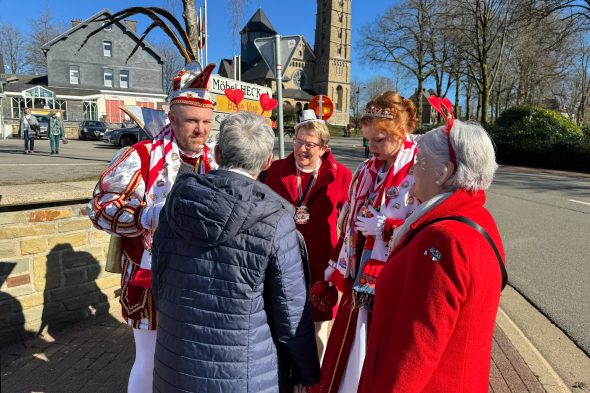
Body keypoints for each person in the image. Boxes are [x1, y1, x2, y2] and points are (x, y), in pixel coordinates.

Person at [151, 111, 321, 393]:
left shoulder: (176, 204)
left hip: (177, 364)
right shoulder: (276, 220)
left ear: (217, 153)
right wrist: (306, 373)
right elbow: (292, 316)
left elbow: (161, 286)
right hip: (246, 374)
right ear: (268, 161)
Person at [87, 62, 218, 393]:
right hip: (151, 279)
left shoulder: (216, 161)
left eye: (206, 122)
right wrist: (147, 216)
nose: (201, 130)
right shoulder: (141, 156)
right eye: (192, 121)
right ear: (172, 119)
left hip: (202, 278)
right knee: (150, 359)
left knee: (194, 356)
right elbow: (100, 207)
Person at [358, 116, 506, 392]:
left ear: (442, 172)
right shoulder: (478, 219)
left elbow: (415, 349)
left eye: (420, 161)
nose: (413, 169)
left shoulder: (443, 238)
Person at [313, 91, 419, 393]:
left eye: (379, 140)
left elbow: (424, 223)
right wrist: (335, 266)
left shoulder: (417, 168)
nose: (371, 148)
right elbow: (347, 224)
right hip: (359, 271)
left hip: (389, 278)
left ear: (402, 132)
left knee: (377, 345)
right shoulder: (366, 171)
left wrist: (385, 227)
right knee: (351, 345)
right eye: (368, 140)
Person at [263, 109, 352, 362]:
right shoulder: (277, 170)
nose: (302, 149)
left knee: (315, 327)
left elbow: (347, 224)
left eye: (310, 144)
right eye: (298, 142)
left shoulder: (341, 175)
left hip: (320, 262)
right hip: (282, 260)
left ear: (323, 148)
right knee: (281, 322)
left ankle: (313, 381)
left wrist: (342, 265)